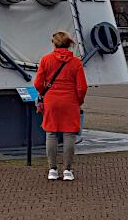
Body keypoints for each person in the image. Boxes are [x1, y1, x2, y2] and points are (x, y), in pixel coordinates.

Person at [34, 30, 88, 181]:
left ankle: (52, 169)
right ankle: (67, 171)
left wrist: (44, 94)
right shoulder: (76, 62)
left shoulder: (46, 59)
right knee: (69, 134)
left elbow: (38, 83)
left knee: (51, 133)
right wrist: (79, 100)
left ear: (53, 43)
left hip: (51, 100)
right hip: (70, 100)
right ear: (69, 44)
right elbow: (82, 87)